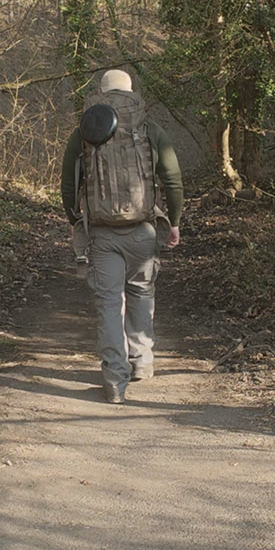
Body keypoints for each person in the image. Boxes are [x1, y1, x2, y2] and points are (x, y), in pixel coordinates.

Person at [60, 69, 184, 403]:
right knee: (142, 292)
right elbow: (172, 179)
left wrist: (75, 219)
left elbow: (69, 183)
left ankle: (115, 380)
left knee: (109, 304)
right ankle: (141, 362)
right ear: (130, 93)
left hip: (102, 234)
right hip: (143, 230)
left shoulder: (86, 130)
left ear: (101, 93)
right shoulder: (149, 129)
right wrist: (173, 221)